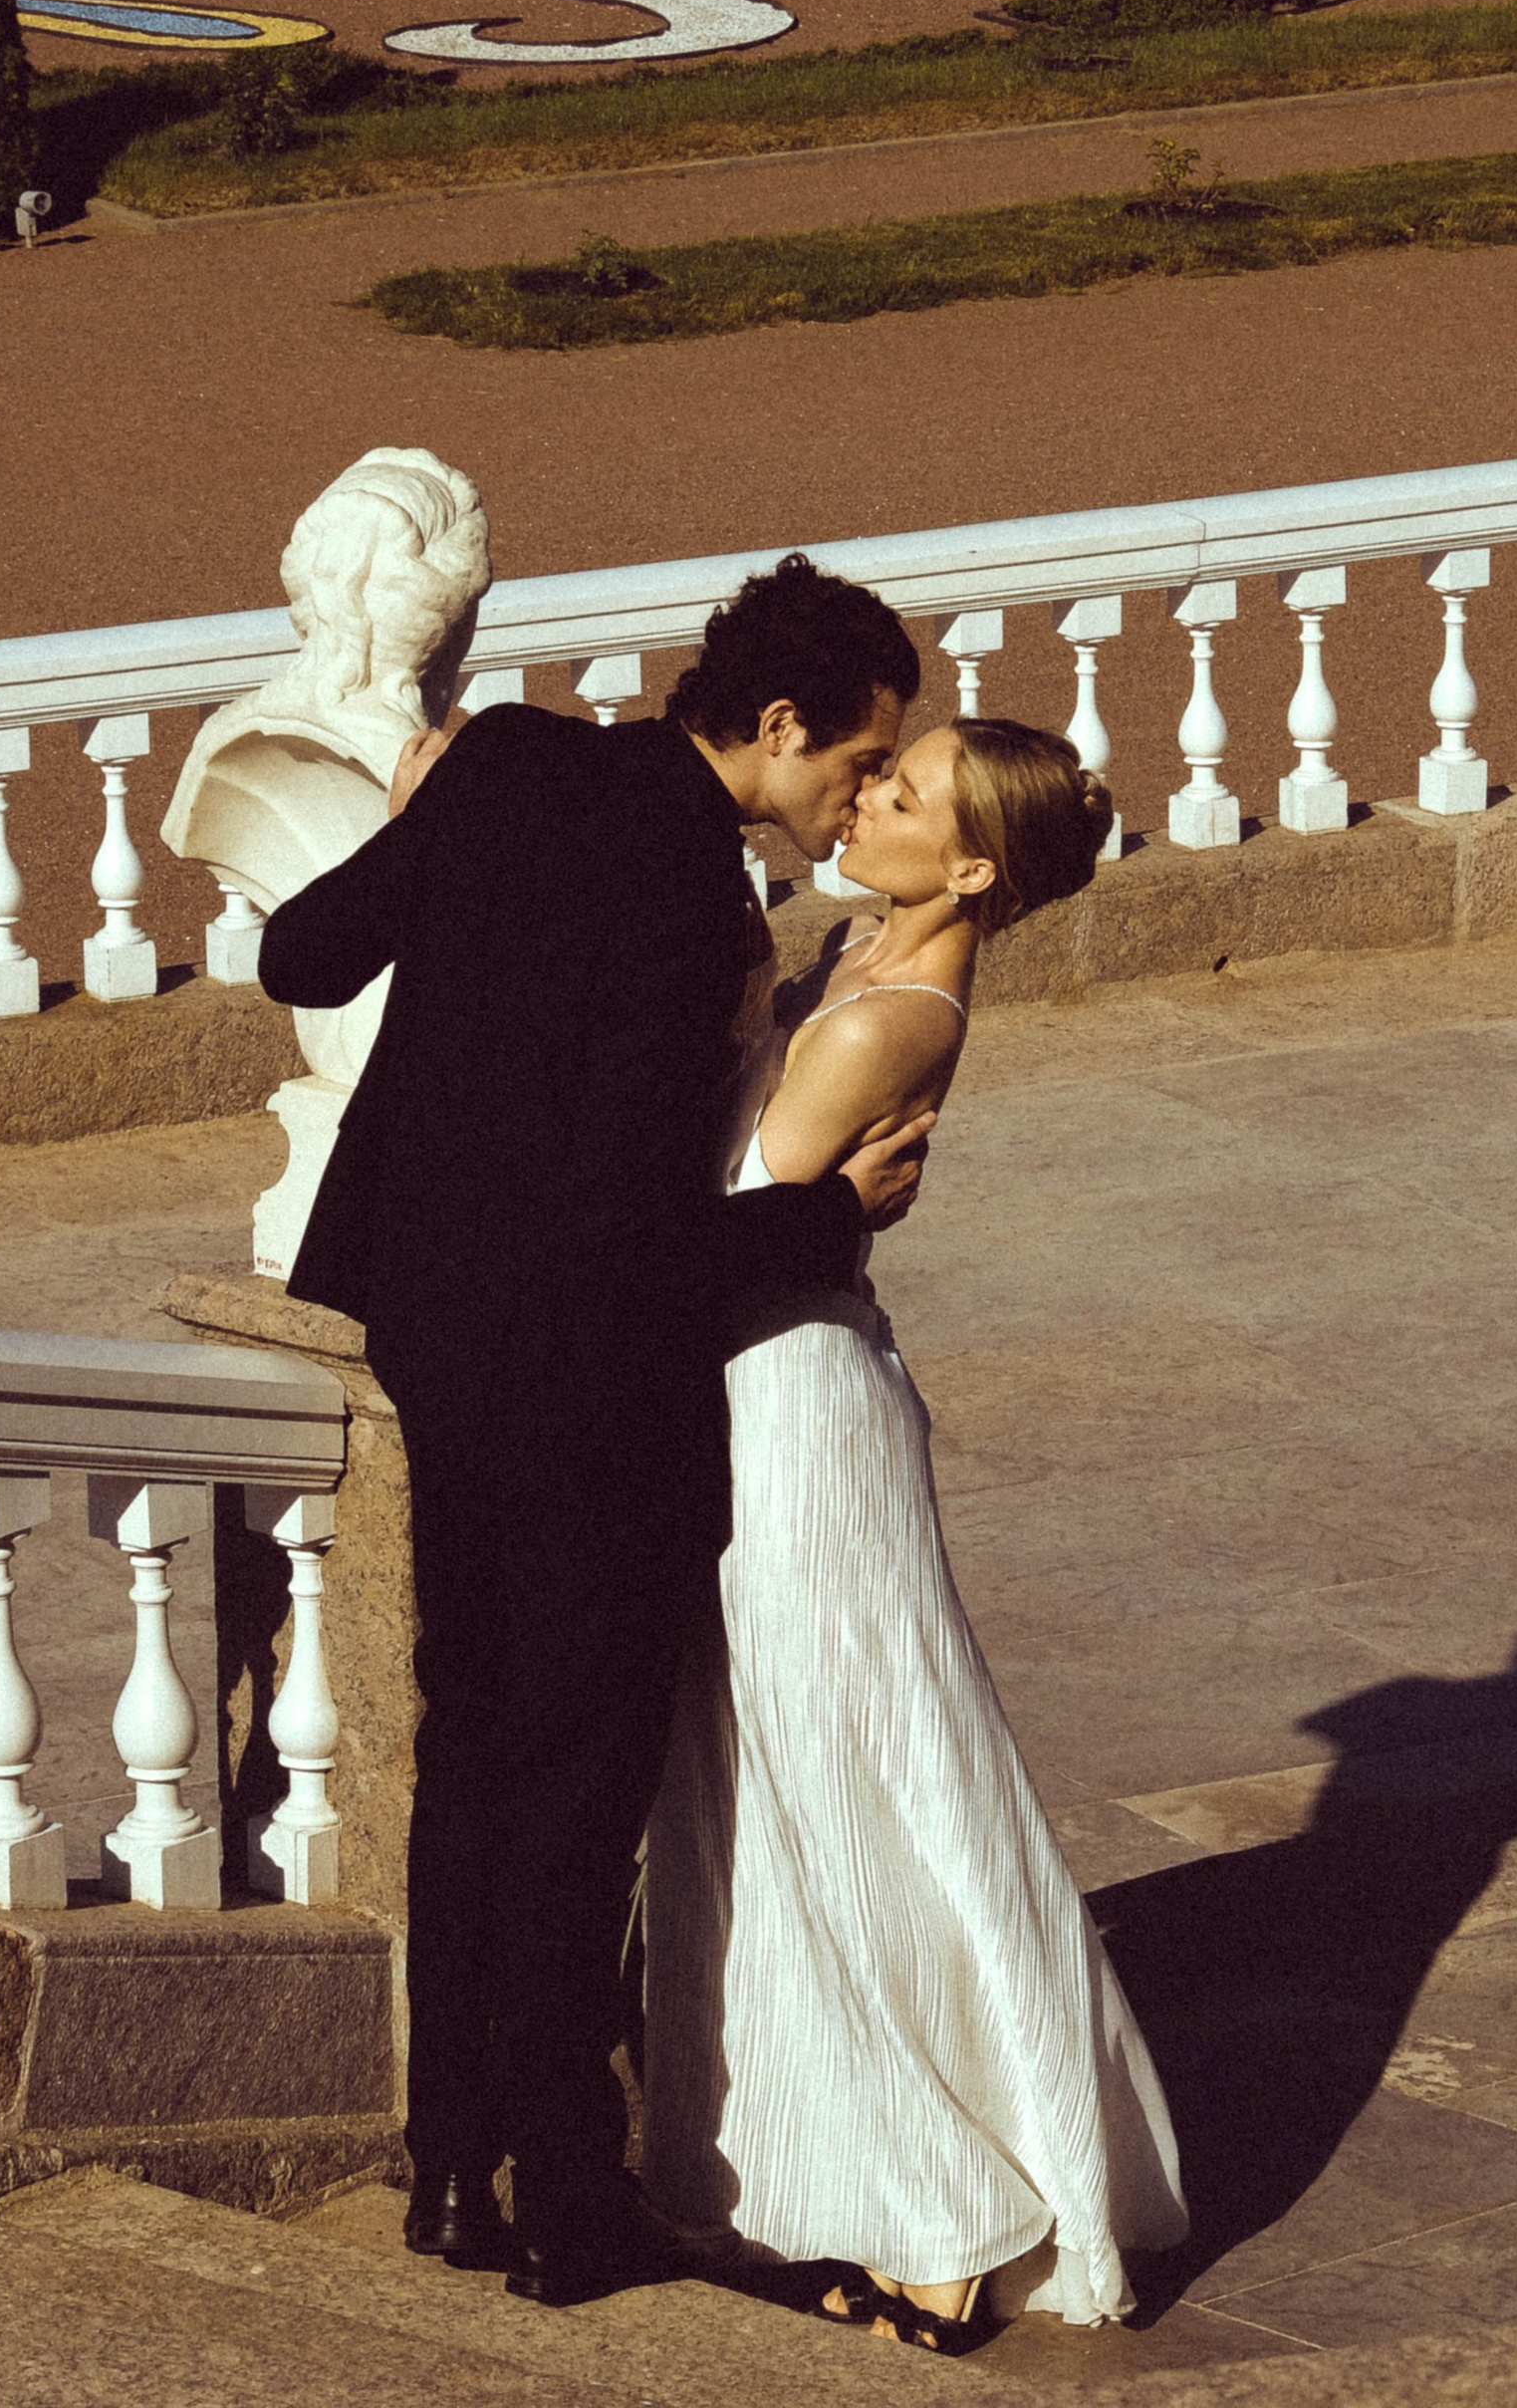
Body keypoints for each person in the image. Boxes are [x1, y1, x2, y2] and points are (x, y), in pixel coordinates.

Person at [259, 551, 930, 2308]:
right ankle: (564, 2193)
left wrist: (440, 824)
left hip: (434, 1338)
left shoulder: (506, 762)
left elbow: (300, 950)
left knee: (468, 1746)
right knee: (569, 1793)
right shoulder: (697, 907)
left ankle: (449, 2167)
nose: (860, 801)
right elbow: (629, 1238)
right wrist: (826, 1217)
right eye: (856, 764)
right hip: (583, 1390)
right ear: (775, 725)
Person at [641, 716, 1189, 2352]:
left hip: (795, 1423)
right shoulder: (840, 954)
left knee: (853, 1785)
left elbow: (722, 1227)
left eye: (904, 794)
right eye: (880, 773)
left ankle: (948, 2214)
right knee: (776, 1788)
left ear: (967, 866)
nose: (864, 795)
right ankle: (821, 2167)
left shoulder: (886, 1016)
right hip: (769, 1398)